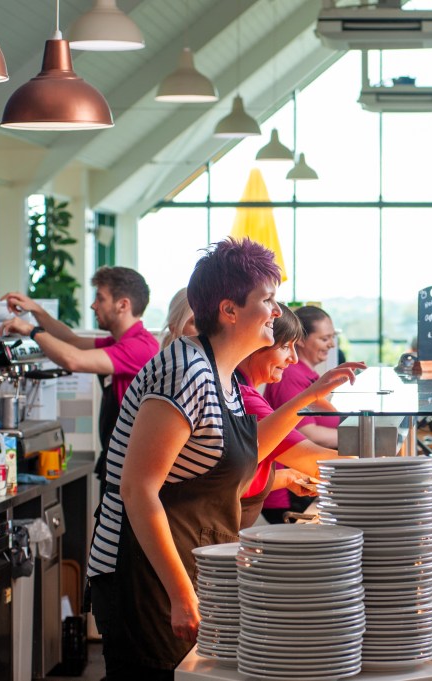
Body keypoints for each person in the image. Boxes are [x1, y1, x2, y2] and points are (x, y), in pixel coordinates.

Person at [85, 240, 359, 679]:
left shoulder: (221, 373)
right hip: (142, 575)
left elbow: (247, 448)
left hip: (184, 563)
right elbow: (138, 490)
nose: (276, 312)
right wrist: (180, 592)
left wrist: (307, 397)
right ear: (229, 310)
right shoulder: (185, 371)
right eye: (267, 300)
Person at [0, 267, 159, 490]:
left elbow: (73, 359)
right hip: (117, 461)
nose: (94, 305)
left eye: (100, 298)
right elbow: (72, 341)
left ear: (123, 305)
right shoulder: (119, 342)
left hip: (131, 469)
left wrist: (31, 331)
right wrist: (36, 310)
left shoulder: (140, 347)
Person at [235, 307, 362, 527]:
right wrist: (385, 467)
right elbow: (313, 459)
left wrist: (288, 477)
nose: (293, 359)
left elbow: (235, 475)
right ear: (255, 345)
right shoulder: (247, 398)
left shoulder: (243, 391)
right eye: (285, 346)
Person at [265, 306, 343, 449]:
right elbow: (307, 433)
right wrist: (363, 438)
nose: (332, 344)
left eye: (332, 337)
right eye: (325, 339)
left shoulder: (308, 375)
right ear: (300, 340)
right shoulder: (289, 376)